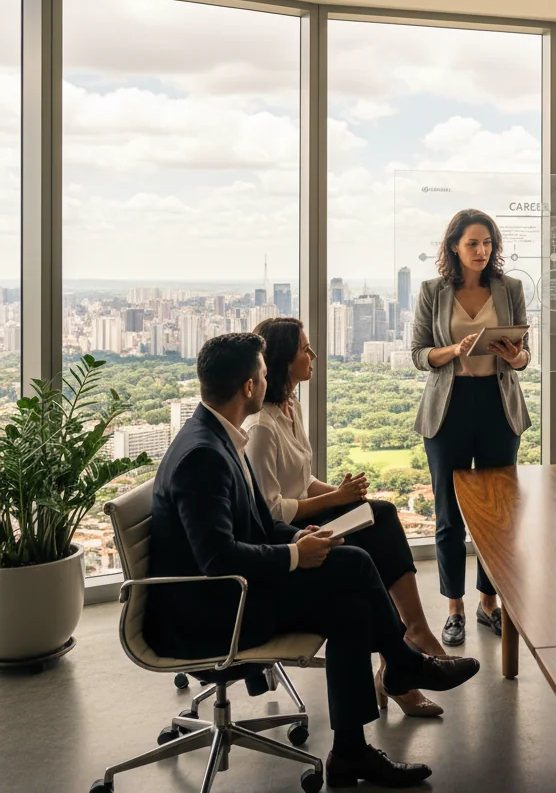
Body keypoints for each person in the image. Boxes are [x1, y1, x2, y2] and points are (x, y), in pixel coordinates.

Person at [145, 333, 480, 788]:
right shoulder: (204, 456)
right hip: (213, 613)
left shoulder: (220, 436)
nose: (268, 381)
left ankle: (351, 752)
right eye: (263, 375)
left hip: (230, 594)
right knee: (356, 565)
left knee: (352, 610)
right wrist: (293, 554)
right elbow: (216, 558)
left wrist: (299, 535)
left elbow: (260, 521)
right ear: (248, 387)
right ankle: (404, 663)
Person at [245, 317, 447, 718]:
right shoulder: (261, 428)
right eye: (306, 349)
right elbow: (272, 510)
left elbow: (302, 481)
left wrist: (342, 495)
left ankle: (411, 639)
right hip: (291, 535)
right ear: (286, 360)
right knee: (367, 550)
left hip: (308, 517)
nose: (313, 356)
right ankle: (403, 660)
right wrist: (336, 499)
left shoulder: (292, 408)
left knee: (381, 514)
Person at [412, 208, 531, 648]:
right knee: (448, 516)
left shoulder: (510, 288)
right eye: (473, 244)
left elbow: (523, 356)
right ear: (454, 248)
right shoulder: (432, 291)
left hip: (498, 406)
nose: (482, 251)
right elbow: (418, 353)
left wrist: (513, 353)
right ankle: (454, 608)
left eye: (488, 243)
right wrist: (452, 350)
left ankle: (488, 603)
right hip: (449, 406)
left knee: (497, 516)